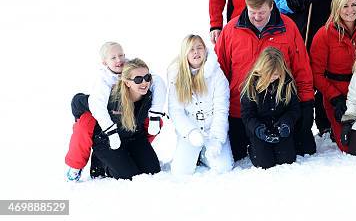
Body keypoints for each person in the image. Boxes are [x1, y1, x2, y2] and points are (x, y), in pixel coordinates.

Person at [215, 0, 315, 161]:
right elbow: (218, 72)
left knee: (298, 153)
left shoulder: (288, 27)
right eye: (252, 11)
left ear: (271, 6)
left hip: (279, 109)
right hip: (242, 112)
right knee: (238, 157)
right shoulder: (231, 30)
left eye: (261, 12)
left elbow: (302, 68)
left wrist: (306, 104)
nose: (256, 17)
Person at [274, 0, 342, 136]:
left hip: (325, 30)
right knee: (300, 75)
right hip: (300, 30)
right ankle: (300, 125)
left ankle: (326, 124)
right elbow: (277, 0)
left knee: (324, 73)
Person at [65, 42, 166, 181]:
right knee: (85, 126)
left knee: (152, 170)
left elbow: (158, 82)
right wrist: (110, 132)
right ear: (105, 62)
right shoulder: (103, 83)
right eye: (113, 58)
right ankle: (95, 164)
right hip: (106, 132)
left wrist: (155, 116)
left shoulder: (135, 70)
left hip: (131, 133)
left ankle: (133, 155)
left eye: (121, 55)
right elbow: (90, 105)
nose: (118, 60)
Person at [310, 0, 356, 152]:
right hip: (337, 93)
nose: (350, 10)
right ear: (337, 8)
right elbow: (316, 74)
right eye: (345, 6)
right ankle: (335, 127)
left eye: (353, 5)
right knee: (350, 147)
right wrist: (335, 98)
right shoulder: (324, 34)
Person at [167, 35, 233, 175]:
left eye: (199, 48)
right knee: (180, 172)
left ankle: (204, 154)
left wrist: (216, 140)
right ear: (185, 53)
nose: (196, 52)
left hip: (211, 129)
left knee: (223, 168)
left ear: (205, 50)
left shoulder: (217, 74)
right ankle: (194, 151)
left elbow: (221, 109)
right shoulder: (176, 75)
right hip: (191, 132)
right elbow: (176, 111)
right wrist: (190, 132)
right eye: (191, 49)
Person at [241, 47, 301, 169]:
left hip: (280, 127)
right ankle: (252, 149)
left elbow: (294, 109)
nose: (273, 77)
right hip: (260, 130)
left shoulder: (287, 84)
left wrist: (286, 123)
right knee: (264, 163)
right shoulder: (251, 86)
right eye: (270, 74)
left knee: (287, 160)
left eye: (276, 74)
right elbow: (247, 115)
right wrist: (258, 129)